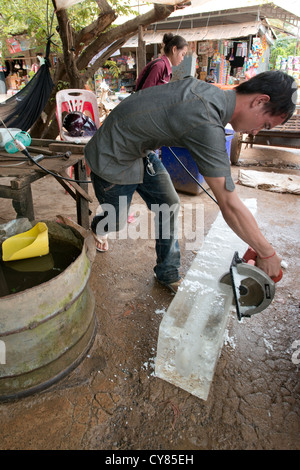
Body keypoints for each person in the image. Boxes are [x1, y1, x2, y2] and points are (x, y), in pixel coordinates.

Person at [84, 70, 296, 293]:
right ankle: (99, 227)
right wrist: (267, 253)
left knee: (169, 203)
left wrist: (260, 246)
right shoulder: (206, 117)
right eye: (266, 124)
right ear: (259, 101)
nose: (256, 131)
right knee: (116, 220)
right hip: (111, 153)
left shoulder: (213, 96)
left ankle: (167, 272)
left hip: (139, 150)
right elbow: (229, 204)